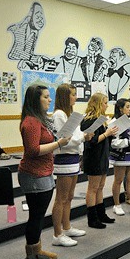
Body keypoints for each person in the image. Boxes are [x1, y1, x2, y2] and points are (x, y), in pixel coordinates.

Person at [19, 84, 70, 259]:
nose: (50, 100)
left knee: (38, 216)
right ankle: (32, 255)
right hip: (34, 174)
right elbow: (33, 150)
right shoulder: (31, 121)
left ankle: (36, 250)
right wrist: (59, 144)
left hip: (43, 172)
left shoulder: (39, 118)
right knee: (36, 216)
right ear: (36, 99)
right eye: (46, 97)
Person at [51, 84, 93, 247]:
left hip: (73, 157)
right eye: (73, 94)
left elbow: (75, 136)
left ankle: (66, 227)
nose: (75, 97)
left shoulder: (70, 114)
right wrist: (83, 136)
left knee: (69, 196)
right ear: (65, 97)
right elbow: (65, 140)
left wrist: (83, 136)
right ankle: (57, 234)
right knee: (61, 198)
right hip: (64, 159)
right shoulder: (59, 114)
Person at [81, 93, 119, 229]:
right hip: (93, 157)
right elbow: (92, 140)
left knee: (101, 186)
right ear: (97, 104)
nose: (107, 105)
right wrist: (106, 134)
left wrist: (110, 134)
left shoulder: (101, 119)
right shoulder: (89, 119)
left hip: (102, 155)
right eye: (104, 103)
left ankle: (101, 213)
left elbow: (102, 139)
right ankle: (92, 218)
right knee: (93, 188)